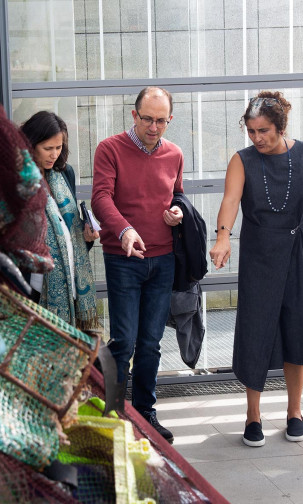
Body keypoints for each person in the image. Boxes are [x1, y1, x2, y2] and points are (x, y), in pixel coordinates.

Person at [209, 91, 303, 447]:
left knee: (297, 328)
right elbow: (230, 201)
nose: (257, 138)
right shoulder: (242, 160)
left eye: (263, 130)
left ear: (281, 126)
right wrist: (222, 238)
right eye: (251, 131)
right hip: (259, 253)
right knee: (256, 329)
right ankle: (253, 415)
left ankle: (295, 412)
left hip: (300, 250)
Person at [91, 87, 184, 443]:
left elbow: (177, 193)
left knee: (151, 343)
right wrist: (125, 231)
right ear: (134, 115)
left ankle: (145, 414)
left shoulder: (174, 153)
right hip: (123, 258)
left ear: (169, 120)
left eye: (161, 120)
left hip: (163, 259)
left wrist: (178, 210)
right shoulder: (110, 149)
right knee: (124, 342)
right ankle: (114, 417)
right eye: (147, 118)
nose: (153, 126)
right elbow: (101, 197)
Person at [21, 111, 100, 330]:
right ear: (30, 144)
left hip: (72, 286)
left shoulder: (65, 174)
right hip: (33, 289)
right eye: (48, 148)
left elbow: (69, 234)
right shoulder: (18, 181)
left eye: (58, 147)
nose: (54, 154)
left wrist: (86, 236)